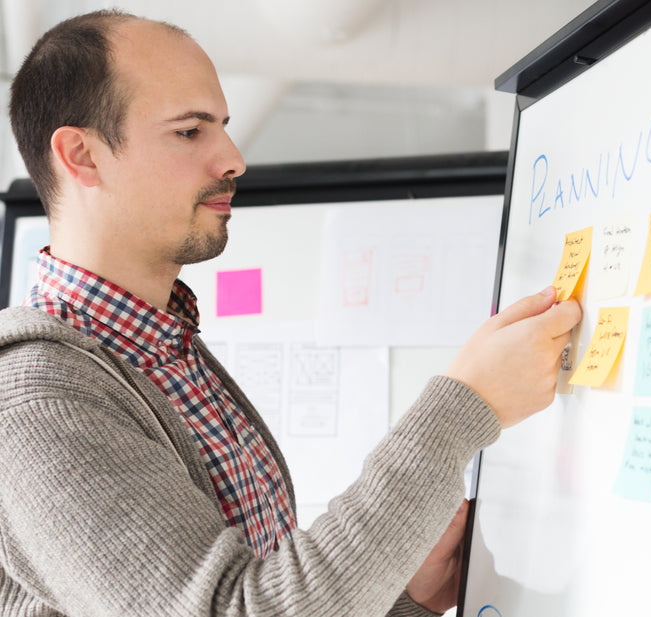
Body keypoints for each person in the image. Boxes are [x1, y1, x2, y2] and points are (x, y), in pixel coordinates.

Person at [0, 9, 582, 617]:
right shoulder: (39, 399)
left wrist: (405, 600)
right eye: (190, 131)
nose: (233, 158)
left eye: (223, 126)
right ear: (82, 155)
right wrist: (467, 405)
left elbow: (258, 592)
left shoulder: (165, 350)